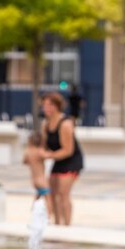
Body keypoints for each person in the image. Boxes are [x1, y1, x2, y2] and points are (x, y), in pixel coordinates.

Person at [39, 91, 83, 225]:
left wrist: (48, 155)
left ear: (56, 106)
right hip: (58, 160)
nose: (45, 108)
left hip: (71, 160)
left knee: (63, 193)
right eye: (44, 105)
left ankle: (67, 225)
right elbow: (44, 145)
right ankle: (57, 224)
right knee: (52, 193)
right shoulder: (45, 124)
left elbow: (68, 150)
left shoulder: (65, 124)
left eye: (49, 105)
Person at [22, 131, 51, 214]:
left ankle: (33, 213)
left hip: (34, 181)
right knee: (49, 199)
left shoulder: (28, 152)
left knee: (37, 196)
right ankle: (49, 216)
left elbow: (24, 161)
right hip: (42, 181)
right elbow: (49, 156)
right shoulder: (40, 151)